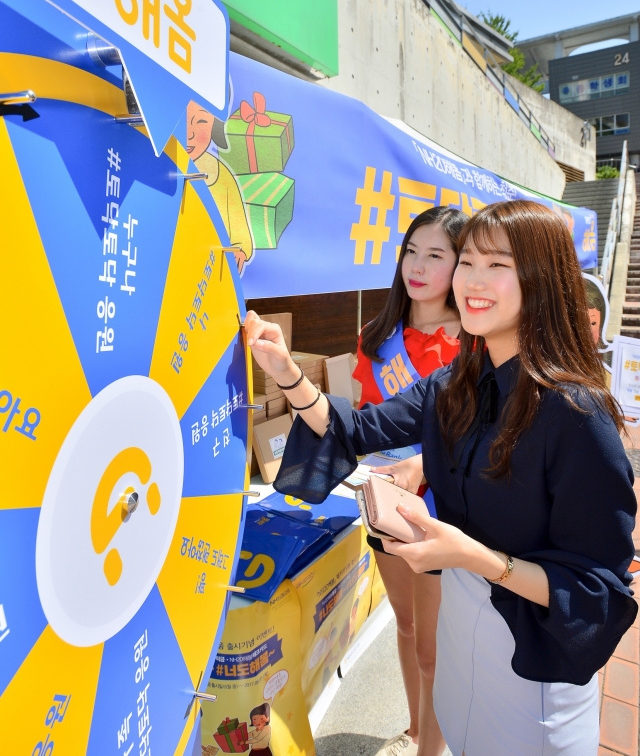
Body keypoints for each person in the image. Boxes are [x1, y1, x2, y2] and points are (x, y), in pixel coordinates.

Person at [245, 200, 637, 756]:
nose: (473, 281)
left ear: (542, 279)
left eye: (497, 265)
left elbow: (598, 590)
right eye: (468, 263)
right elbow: (356, 429)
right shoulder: (458, 380)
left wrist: (472, 557)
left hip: (531, 665)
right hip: (460, 641)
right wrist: (286, 373)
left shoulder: (577, 414)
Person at [353, 206, 468, 756]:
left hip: (442, 511)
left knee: (432, 649)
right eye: (410, 252)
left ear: (460, 265)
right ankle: (418, 728)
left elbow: (474, 432)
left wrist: (423, 463)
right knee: (402, 626)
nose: (417, 267)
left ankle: (431, 750)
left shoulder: (472, 342)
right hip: (387, 504)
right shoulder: (377, 337)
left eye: (436, 255)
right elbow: (366, 419)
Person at [186, 99, 254, 273]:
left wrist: (239, 250)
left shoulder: (220, 174)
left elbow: (239, 229)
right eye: (183, 118)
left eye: (201, 122)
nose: (189, 134)